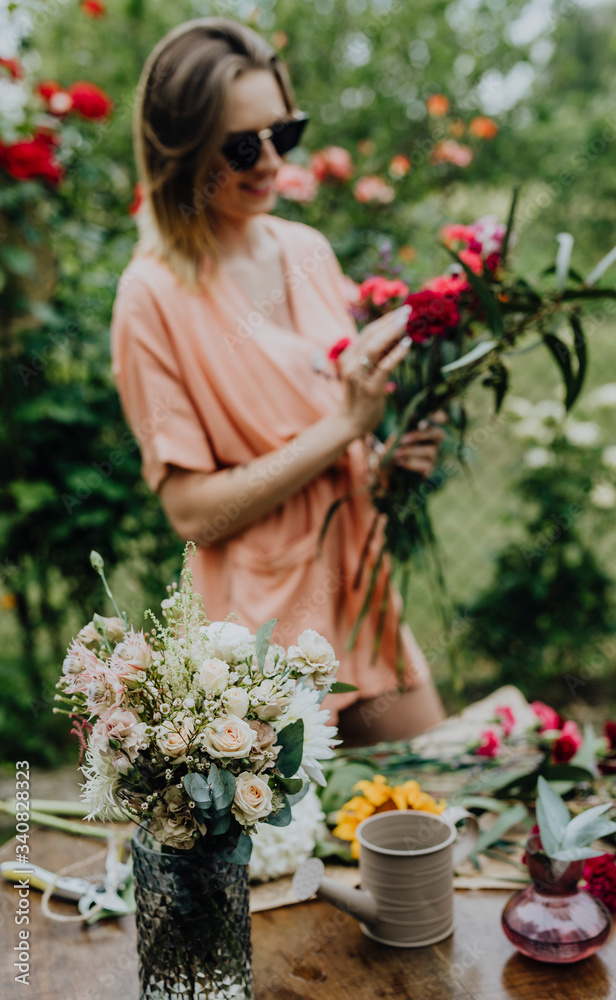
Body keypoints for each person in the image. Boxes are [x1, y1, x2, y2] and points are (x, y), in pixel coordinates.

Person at [111, 16, 446, 744]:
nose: (269, 163)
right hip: (256, 643)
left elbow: (332, 451)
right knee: (292, 856)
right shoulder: (152, 297)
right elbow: (192, 512)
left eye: (283, 135)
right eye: (240, 147)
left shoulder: (308, 250)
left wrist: (382, 465)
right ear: (180, 150)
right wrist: (343, 430)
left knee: (432, 816)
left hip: (359, 596)